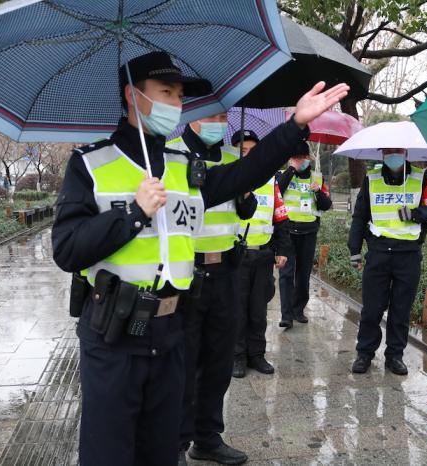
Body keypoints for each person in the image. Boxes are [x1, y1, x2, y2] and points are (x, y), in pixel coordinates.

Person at [51, 50, 349, 466]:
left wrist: (294, 124)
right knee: (109, 451)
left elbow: (245, 173)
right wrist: (134, 214)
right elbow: (66, 250)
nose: (175, 104)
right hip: (113, 335)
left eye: (178, 96)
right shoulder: (90, 164)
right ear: (133, 96)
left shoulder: (183, 166)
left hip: (171, 330)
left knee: (162, 449)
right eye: (165, 93)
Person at [166, 114, 255, 465]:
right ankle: (176, 440)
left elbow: (246, 211)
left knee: (219, 360)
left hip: (226, 272)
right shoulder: (169, 154)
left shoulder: (235, 160)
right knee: (183, 362)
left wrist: (245, 187)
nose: (219, 121)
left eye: (223, 115)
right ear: (191, 114)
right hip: (186, 275)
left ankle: (208, 437)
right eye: (211, 114)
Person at [348, 149, 427, 375]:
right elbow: (360, 215)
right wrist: (354, 250)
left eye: (397, 151)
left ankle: (395, 356)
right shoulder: (372, 179)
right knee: (372, 309)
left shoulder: (422, 178)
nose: (393, 155)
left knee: (401, 310)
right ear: (382, 154)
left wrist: (415, 213)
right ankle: (364, 353)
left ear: (405, 152)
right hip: (378, 252)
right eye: (388, 152)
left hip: (408, 254)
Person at [231, 129, 292, 378]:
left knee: (259, 310)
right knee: (237, 310)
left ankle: (257, 354)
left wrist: (282, 249)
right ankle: (236, 356)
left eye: (252, 150)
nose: (248, 155)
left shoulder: (270, 180)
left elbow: (280, 216)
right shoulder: (228, 177)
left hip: (264, 255)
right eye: (242, 150)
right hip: (237, 256)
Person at [277, 144, 331, 328]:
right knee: (286, 273)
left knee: (303, 274)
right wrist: (292, 169)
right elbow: (278, 191)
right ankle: (286, 315)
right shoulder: (283, 175)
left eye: (303, 156)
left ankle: (298, 310)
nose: (301, 160)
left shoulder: (317, 178)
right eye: (297, 157)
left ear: (309, 157)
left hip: (309, 232)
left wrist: (317, 191)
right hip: (287, 232)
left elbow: (326, 205)